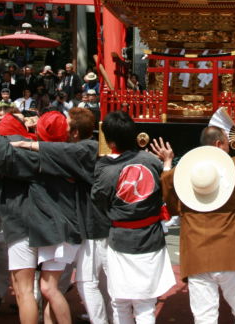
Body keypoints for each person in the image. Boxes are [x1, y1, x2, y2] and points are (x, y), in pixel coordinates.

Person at [0, 111, 80, 324]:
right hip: (57, 227)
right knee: (50, 289)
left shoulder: (25, 153)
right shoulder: (71, 153)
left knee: (24, 291)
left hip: (22, 224)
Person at [9, 107, 112, 324]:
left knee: (85, 284)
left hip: (87, 229)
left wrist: (25, 143)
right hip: (75, 228)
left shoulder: (84, 149)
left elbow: (57, 151)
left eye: (67, 123)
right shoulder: (76, 149)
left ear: (75, 132)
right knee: (54, 287)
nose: (64, 126)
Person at [153, 123, 235, 324]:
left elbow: (167, 186)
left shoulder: (180, 174)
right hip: (231, 255)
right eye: (229, 143)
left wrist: (167, 162)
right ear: (220, 144)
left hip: (197, 257)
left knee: (205, 318)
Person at [91, 111, 175, 323]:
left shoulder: (105, 168)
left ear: (109, 141)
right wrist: (167, 163)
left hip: (121, 237)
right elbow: (168, 189)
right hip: (151, 236)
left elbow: (99, 200)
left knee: (120, 301)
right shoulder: (151, 161)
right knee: (145, 304)